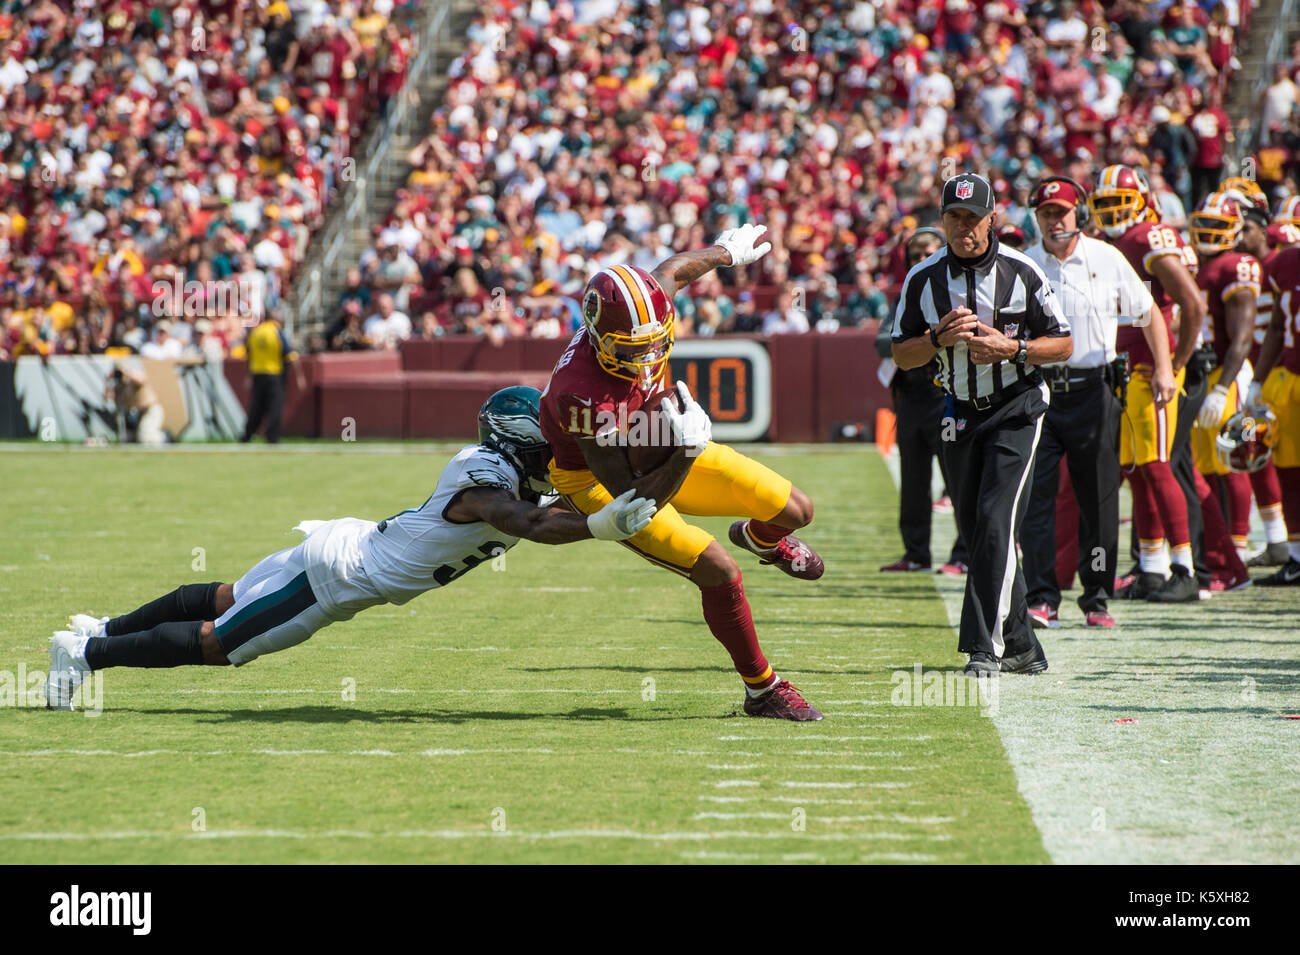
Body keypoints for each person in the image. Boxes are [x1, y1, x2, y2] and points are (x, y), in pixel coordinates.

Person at [45, 387, 657, 709]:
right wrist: (602, 527)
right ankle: (87, 655)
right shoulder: (485, 476)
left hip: (346, 547)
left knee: (226, 594)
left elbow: (562, 502)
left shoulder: (510, 474)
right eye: (546, 440)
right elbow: (525, 521)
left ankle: (100, 627)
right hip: (336, 577)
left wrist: (660, 464)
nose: (557, 452)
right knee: (217, 645)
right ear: (519, 439)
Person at [540, 227, 827, 720]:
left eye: (656, 343)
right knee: (718, 570)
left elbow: (672, 269)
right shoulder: (582, 392)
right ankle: (763, 690)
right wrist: (687, 449)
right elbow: (632, 496)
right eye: (633, 348)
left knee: (797, 510)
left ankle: (761, 539)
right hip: (598, 480)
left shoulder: (644, 310)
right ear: (597, 337)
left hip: (655, 439)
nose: (648, 356)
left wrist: (724, 254)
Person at [892, 173, 1073, 676]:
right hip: (957, 409)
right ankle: (1022, 646)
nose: (964, 228)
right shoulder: (923, 278)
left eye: (974, 218)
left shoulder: (1023, 270)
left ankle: (984, 648)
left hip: (1016, 405)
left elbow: (1062, 344)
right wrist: (934, 340)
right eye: (954, 217)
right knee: (978, 531)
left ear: (992, 218)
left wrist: (1011, 348)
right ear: (942, 219)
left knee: (995, 520)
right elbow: (901, 354)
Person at [1023, 176, 1174, 629]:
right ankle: (1042, 596)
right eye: (1046, 213)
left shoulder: (1107, 258)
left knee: (1099, 499)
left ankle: (1096, 596)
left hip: (1095, 389)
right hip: (1042, 392)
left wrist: (1165, 368)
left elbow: (1149, 314)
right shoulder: (1026, 264)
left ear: (1079, 215)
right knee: (1038, 499)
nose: (1054, 221)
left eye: (1062, 212)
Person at [1089, 164, 1208, 602]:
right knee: (1138, 472)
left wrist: (1173, 363)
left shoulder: (1146, 237)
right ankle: (1153, 569)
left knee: (1157, 466)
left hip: (1149, 367)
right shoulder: (1111, 243)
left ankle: (1186, 568)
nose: (1111, 211)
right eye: (1103, 204)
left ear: (1141, 202)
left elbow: (1192, 303)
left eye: (1118, 202)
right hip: (1124, 368)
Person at [875, 227, 968, 575]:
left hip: (945, 395)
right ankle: (916, 553)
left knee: (957, 478)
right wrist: (930, 339)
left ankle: (964, 553)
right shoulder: (906, 296)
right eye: (914, 256)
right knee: (913, 480)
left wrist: (919, 341)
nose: (921, 261)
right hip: (911, 397)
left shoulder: (955, 290)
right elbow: (884, 342)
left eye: (927, 253)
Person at [1189, 191, 1259, 590]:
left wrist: (1221, 388)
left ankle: (1233, 551)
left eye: (1218, 226)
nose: (1209, 234)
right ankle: (1218, 558)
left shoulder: (1236, 266)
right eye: (1205, 225)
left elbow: (1241, 338)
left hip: (1224, 376)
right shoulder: (1205, 265)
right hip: (1202, 376)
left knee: (1226, 462)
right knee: (1205, 469)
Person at [1248, 235, 1300, 583]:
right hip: (1292, 376)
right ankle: (1296, 557)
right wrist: (1258, 380)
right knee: (1290, 470)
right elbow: (1278, 327)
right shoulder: (1285, 262)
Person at [240, 308, 303, 444]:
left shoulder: (255, 332)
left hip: (257, 373)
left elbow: (248, 355)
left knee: (256, 407)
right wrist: (299, 377)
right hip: (274, 374)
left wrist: (248, 376)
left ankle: (247, 435)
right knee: (275, 406)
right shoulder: (276, 331)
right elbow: (291, 355)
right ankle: (272, 437)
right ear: (275, 318)